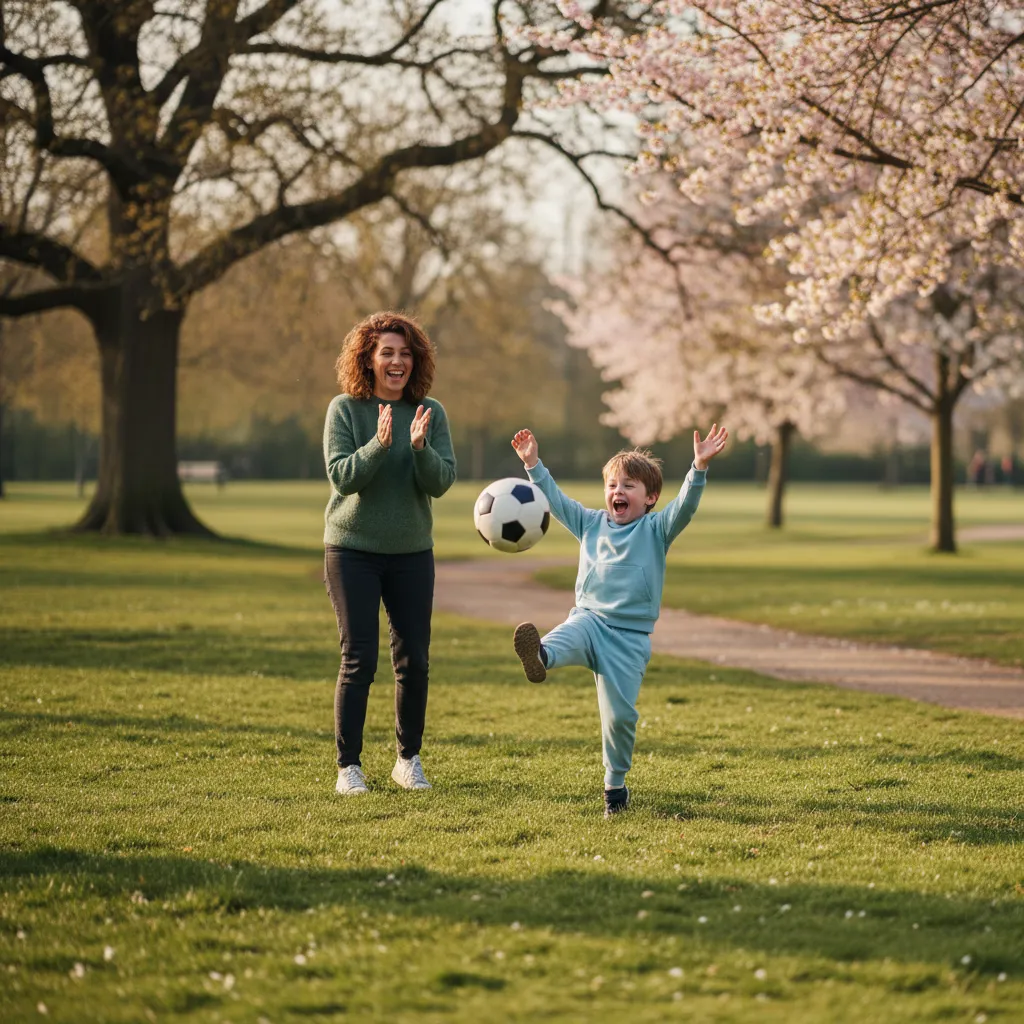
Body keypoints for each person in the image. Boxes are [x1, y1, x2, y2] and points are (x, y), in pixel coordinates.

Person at [509, 425, 728, 818]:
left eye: (629, 486)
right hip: (590, 620)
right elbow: (555, 502)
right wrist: (532, 465)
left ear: (650, 498)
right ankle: (541, 656)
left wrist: (698, 467)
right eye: (612, 485)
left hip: (629, 639)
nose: (618, 492)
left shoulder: (656, 528)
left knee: (620, 717)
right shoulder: (590, 523)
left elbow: (686, 506)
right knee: (566, 635)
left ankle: (615, 789)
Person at [323, 311, 456, 796]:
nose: (397, 361)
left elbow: (441, 483)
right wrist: (379, 445)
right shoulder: (345, 409)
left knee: (414, 661)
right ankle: (348, 767)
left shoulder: (430, 412)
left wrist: (419, 448)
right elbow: (343, 477)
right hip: (352, 549)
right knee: (359, 657)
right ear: (368, 359)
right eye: (387, 353)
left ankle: (407, 760)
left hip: (412, 553)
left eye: (405, 353)